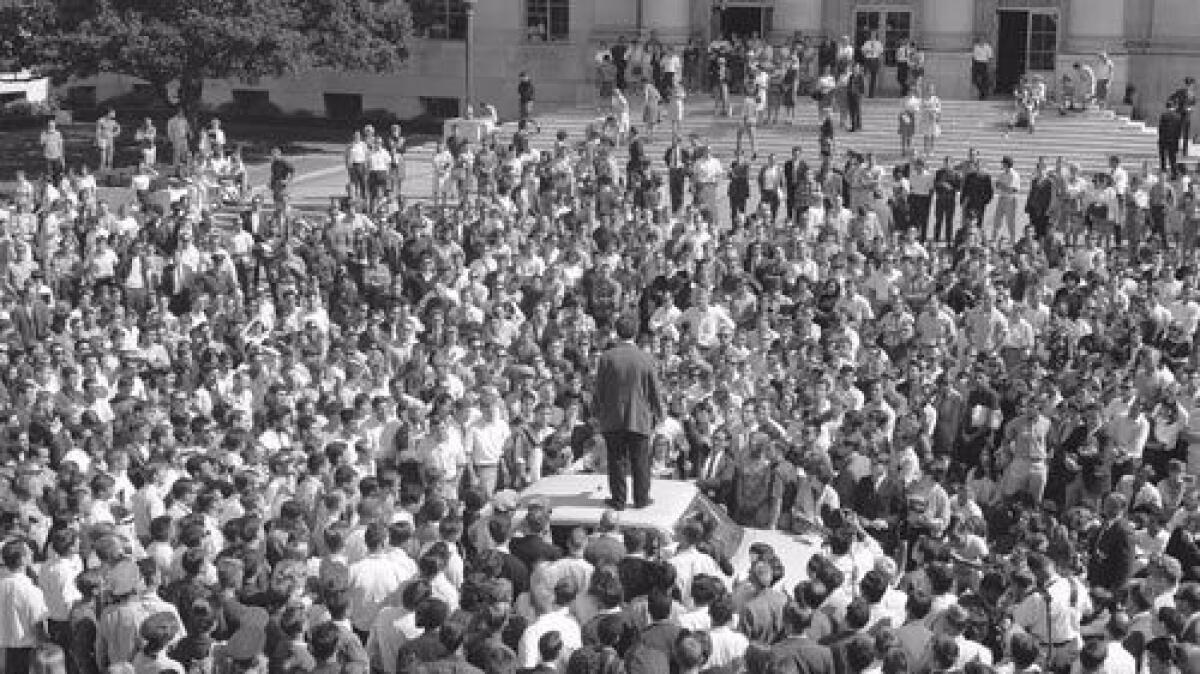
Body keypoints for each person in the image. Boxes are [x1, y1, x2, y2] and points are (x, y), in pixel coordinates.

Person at [593, 314, 664, 511]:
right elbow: (654, 390)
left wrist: (595, 412)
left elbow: (599, 389)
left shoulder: (606, 358)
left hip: (613, 418)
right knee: (640, 460)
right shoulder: (645, 358)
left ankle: (618, 500)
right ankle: (641, 499)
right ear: (636, 332)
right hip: (638, 418)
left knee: (616, 461)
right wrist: (660, 413)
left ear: (617, 332)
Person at [1160, 100, 1183, 176]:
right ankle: (1174, 173)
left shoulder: (1164, 115)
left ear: (1167, 107)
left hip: (1164, 139)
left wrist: (1160, 138)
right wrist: (1177, 141)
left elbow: (1161, 128)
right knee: (1172, 158)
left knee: (1163, 157)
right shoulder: (1178, 116)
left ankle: (1163, 172)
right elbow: (1179, 131)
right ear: (1173, 106)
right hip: (1173, 140)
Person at [921, 83, 942, 155]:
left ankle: (932, 150)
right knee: (926, 136)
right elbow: (922, 108)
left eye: (932, 89)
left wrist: (934, 112)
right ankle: (925, 150)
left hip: (933, 119)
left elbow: (939, 109)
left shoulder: (936, 99)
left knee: (933, 135)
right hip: (926, 119)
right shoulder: (924, 99)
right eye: (929, 89)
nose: (930, 91)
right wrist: (927, 110)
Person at [861, 31, 884, 98]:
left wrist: (879, 62)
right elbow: (862, 51)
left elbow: (881, 53)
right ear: (870, 35)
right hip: (868, 60)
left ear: (876, 35)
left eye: (874, 35)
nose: (873, 36)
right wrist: (867, 51)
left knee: (873, 78)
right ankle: (865, 93)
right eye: (871, 35)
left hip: (875, 60)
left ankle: (871, 94)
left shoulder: (879, 43)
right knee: (866, 77)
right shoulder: (867, 43)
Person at [971, 35, 993, 100]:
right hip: (977, 63)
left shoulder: (988, 47)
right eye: (980, 39)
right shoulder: (976, 47)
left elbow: (990, 57)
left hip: (984, 64)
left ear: (985, 40)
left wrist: (990, 66)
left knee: (984, 80)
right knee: (974, 79)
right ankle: (982, 91)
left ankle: (982, 94)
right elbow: (973, 57)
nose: (981, 40)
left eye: (983, 39)